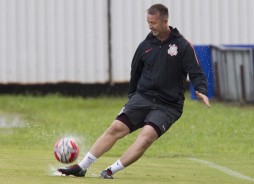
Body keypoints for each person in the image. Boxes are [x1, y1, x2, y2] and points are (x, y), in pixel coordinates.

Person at [58, 3, 210, 179]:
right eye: (148, 22)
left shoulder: (182, 45)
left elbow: (196, 72)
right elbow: (135, 73)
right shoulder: (145, 46)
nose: (150, 26)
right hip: (142, 97)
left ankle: (110, 171)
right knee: (116, 128)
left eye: (153, 22)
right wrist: (133, 98)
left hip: (168, 105)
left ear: (165, 21)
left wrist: (201, 90)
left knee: (146, 137)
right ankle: (82, 167)